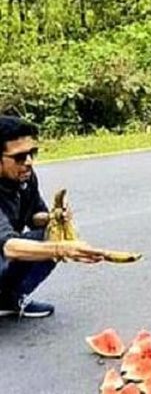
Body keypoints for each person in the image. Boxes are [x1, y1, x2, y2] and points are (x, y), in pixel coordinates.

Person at [0, 116, 106, 318]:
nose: (29, 162)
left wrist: (54, 217)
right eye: (20, 157)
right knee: (48, 245)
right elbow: (8, 247)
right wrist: (63, 249)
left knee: (50, 235)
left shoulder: (25, 177)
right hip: (4, 247)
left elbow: (34, 218)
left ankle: (7, 300)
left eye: (32, 153)